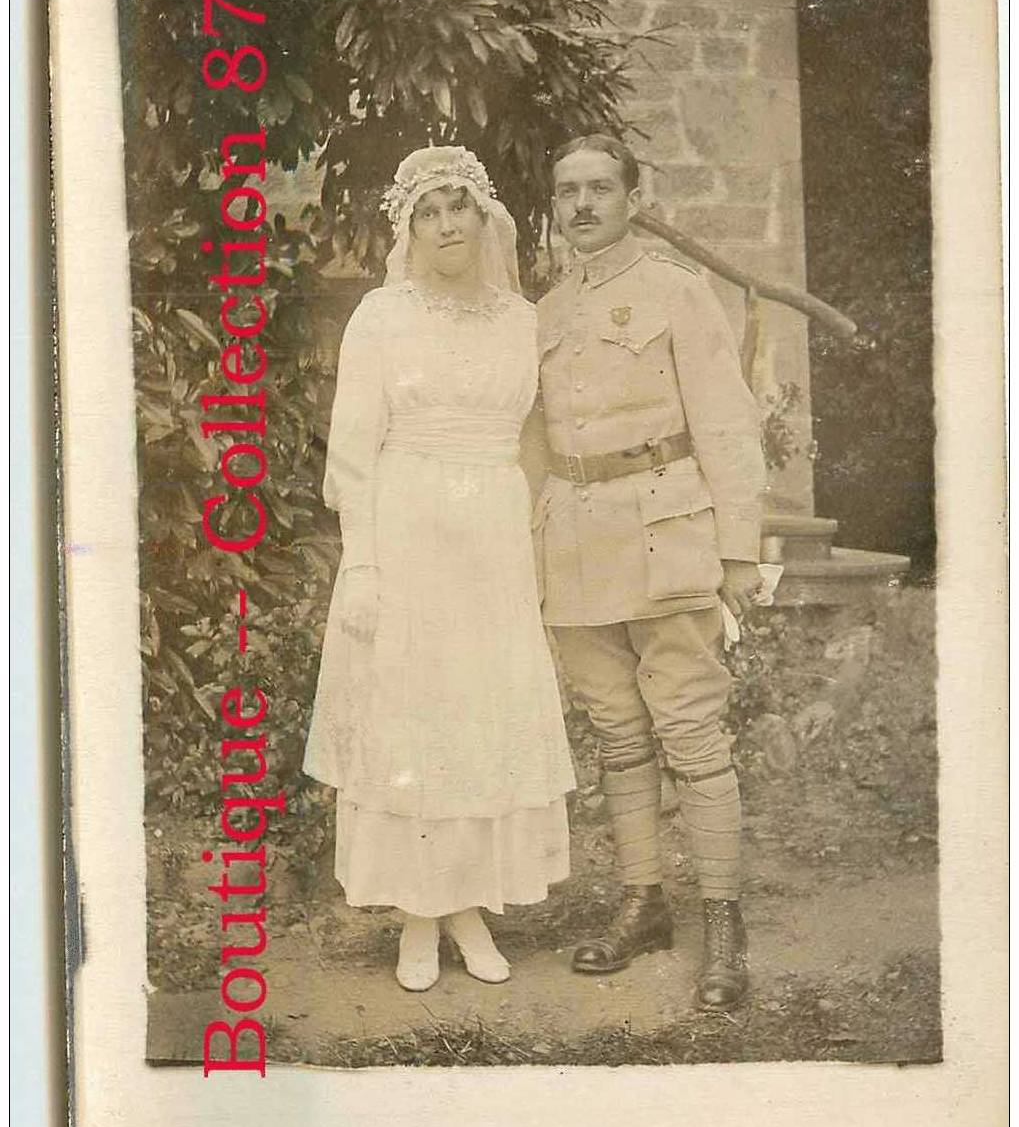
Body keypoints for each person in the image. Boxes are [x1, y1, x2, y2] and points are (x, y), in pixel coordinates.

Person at [304, 146, 575, 992]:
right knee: (414, 719)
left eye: (460, 206)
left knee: (478, 719)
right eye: (429, 211)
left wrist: (531, 545)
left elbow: (538, 439)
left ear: (486, 217)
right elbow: (352, 455)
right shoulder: (382, 318)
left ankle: (468, 906)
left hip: (490, 540)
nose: (447, 224)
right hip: (408, 531)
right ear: (408, 228)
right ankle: (418, 919)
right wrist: (367, 565)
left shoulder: (523, 321)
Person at [532, 133, 766, 1009]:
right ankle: (643, 900)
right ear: (555, 207)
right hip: (574, 542)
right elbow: (534, 446)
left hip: (665, 531)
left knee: (692, 732)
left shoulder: (678, 294)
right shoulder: (546, 311)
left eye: (598, 187)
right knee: (618, 735)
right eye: (567, 192)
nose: (582, 204)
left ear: (631, 196)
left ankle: (722, 919)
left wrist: (738, 549)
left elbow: (726, 423)